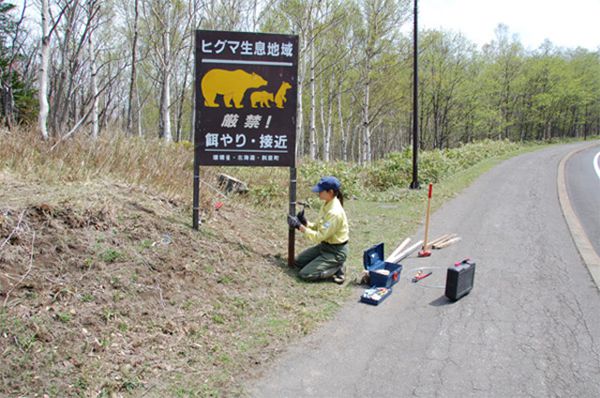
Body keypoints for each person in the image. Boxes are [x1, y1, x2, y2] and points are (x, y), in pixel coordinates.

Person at [287, 176, 349, 284]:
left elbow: (318, 236)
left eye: (321, 191)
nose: (318, 193)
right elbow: (318, 227)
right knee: (299, 262)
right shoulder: (326, 204)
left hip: (336, 251)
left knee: (305, 274)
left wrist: (300, 227)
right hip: (324, 246)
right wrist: (305, 222)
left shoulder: (334, 213)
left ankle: (337, 267)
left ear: (330, 192)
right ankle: (327, 263)